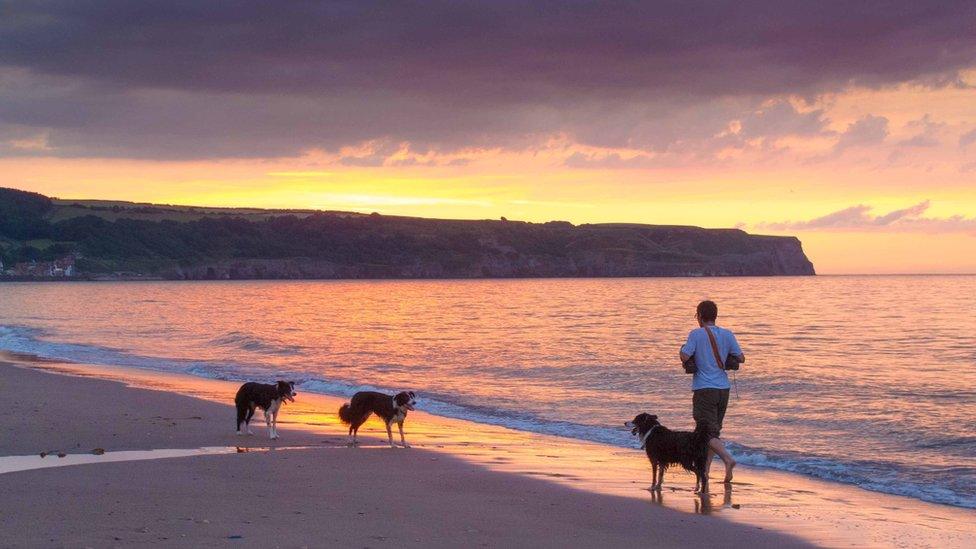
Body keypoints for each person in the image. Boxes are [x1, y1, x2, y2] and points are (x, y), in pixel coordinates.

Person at [679, 300, 744, 484]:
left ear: (699, 316)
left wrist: (683, 351)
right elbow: (741, 358)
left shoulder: (696, 334)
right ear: (715, 316)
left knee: (705, 433)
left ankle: (727, 459)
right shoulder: (727, 334)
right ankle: (705, 473)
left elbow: (685, 355)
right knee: (713, 433)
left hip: (704, 388)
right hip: (723, 389)